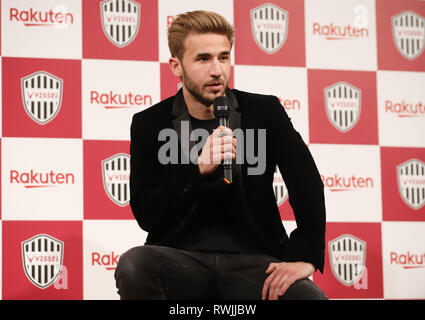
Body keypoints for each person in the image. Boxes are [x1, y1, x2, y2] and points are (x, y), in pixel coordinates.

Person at [114, 10, 327, 300]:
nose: (217, 70)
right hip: (181, 260)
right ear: (176, 66)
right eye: (203, 59)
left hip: (255, 263)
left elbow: (306, 181)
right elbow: (147, 213)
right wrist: (197, 169)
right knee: (133, 265)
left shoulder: (263, 112)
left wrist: (307, 254)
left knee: (308, 298)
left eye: (223, 57)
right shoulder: (150, 122)